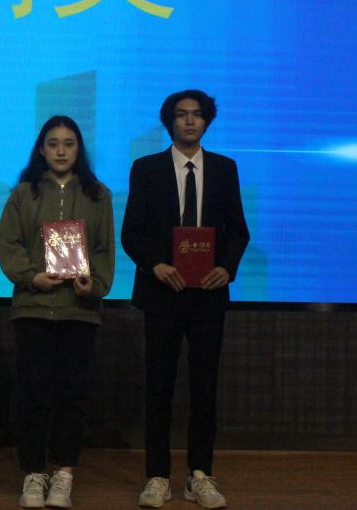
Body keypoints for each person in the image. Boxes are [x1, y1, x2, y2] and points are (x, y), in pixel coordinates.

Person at [121, 90, 249, 509]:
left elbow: (238, 231)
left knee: (204, 389)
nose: (190, 121)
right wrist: (155, 264)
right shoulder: (146, 168)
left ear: (207, 121)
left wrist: (226, 268)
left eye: (197, 115)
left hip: (208, 295)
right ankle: (158, 475)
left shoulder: (225, 168)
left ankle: (200, 475)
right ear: (170, 121)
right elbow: (132, 232)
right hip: (162, 294)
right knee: (158, 389)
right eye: (181, 115)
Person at [0, 115, 115, 509]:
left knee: (71, 395)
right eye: (53, 143)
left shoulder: (99, 195)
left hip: (79, 312)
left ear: (79, 149)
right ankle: (33, 473)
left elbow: (104, 251)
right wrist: (32, 277)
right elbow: (8, 243)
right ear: (41, 149)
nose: (61, 151)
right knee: (33, 395)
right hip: (33, 309)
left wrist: (93, 285)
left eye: (69, 143)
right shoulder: (23, 193)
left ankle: (64, 473)